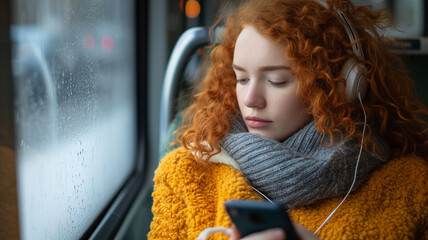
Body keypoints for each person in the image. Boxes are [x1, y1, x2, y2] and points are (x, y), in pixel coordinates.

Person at [148, 0, 428, 239]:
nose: (250, 99)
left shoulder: (410, 187)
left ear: (338, 86)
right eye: (241, 78)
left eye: (276, 81)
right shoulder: (186, 174)